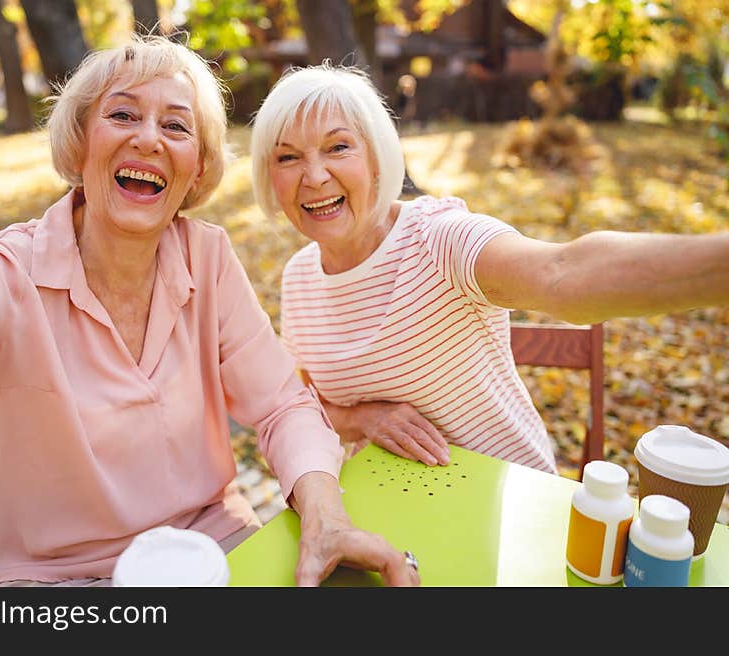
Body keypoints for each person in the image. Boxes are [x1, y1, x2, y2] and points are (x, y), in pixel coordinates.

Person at [0, 36, 419, 587]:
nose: (149, 139)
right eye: (123, 116)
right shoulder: (3, 271)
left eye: (175, 126)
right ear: (80, 143)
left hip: (209, 550)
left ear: (196, 168)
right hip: (50, 581)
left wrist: (325, 516)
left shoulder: (208, 257)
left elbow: (281, 406)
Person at [249, 63, 729, 474]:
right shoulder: (299, 278)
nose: (313, 177)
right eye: (289, 157)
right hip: (388, 504)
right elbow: (307, 406)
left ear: (377, 159)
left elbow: (562, 273)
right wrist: (364, 419)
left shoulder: (439, 238)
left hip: (510, 499)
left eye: (338, 148)